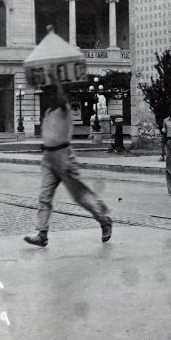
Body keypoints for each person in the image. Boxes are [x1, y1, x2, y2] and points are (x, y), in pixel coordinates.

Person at [24, 84, 112, 247]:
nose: (46, 96)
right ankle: (42, 234)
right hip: (49, 158)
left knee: (80, 196)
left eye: (49, 93)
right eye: (45, 93)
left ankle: (104, 220)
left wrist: (58, 86)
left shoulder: (64, 108)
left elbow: (62, 100)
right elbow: (52, 134)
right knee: (44, 196)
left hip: (64, 156)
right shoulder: (49, 112)